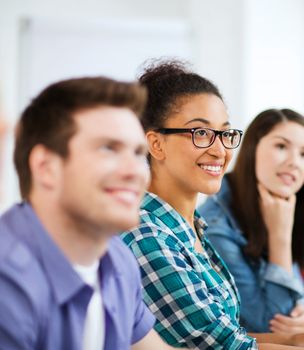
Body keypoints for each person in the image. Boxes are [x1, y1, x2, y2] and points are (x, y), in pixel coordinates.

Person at [120, 60, 304, 349]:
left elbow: (225, 335)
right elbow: (224, 348)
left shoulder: (190, 228)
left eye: (225, 134)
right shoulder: (147, 234)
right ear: (156, 144)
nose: (220, 150)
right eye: (200, 133)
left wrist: (293, 338)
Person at [0, 77, 183, 349]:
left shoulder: (117, 259)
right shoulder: (8, 278)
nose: (135, 171)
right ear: (45, 167)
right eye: (108, 148)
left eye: (137, 153)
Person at [199, 108, 304, 333]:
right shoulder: (216, 225)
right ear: (252, 149)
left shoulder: (278, 204)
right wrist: (280, 238)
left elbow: (298, 300)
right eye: (281, 147)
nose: (294, 163)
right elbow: (269, 324)